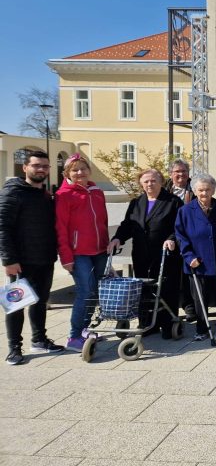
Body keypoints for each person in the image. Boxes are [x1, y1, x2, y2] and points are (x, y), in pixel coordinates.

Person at [0, 151, 63, 364]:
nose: (41, 170)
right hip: (20, 261)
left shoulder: (45, 194)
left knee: (40, 301)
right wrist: (8, 260)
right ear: (25, 167)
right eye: (36, 166)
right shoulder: (13, 192)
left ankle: (39, 340)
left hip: (45, 258)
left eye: (45, 166)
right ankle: (14, 348)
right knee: (16, 305)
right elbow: (3, 227)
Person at [108, 169, 183, 339]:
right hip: (141, 253)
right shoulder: (136, 202)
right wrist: (118, 238)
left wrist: (171, 239)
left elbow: (179, 226)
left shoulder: (173, 201)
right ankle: (147, 323)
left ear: (161, 181)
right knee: (143, 287)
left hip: (165, 253)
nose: (150, 184)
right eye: (146, 181)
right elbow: (128, 224)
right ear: (141, 184)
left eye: (153, 180)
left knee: (166, 287)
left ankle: (168, 323)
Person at [55, 154, 110, 352]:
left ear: (89, 170)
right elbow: (60, 228)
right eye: (74, 170)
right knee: (85, 291)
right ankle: (74, 336)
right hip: (79, 254)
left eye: (83, 168)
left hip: (100, 250)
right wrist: (66, 257)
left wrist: (107, 245)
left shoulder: (97, 192)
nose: (80, 173)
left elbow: (102, 222)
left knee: (95, 292)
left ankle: (85, 329)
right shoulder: (64, 195)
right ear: (67, 173)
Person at [174, 174, 216, 341]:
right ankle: (202, 328)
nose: (204, 193)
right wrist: (188, 255)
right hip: (197, 261)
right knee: (200, 298)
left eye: (207, 189)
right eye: (200, 190)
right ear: (195, 191)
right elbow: (180, 236)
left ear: (213, 190)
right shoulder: (185, 211)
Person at [165, 159, 196, 322]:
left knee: (186, 275)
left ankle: (189, 306)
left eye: (183, 171)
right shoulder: (164, 191)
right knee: (170, 274)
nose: (181, 174)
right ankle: (170, 308)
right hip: (168, 238)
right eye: (177, 171)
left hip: (187, 237)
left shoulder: (194, 190)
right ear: (171, 174)